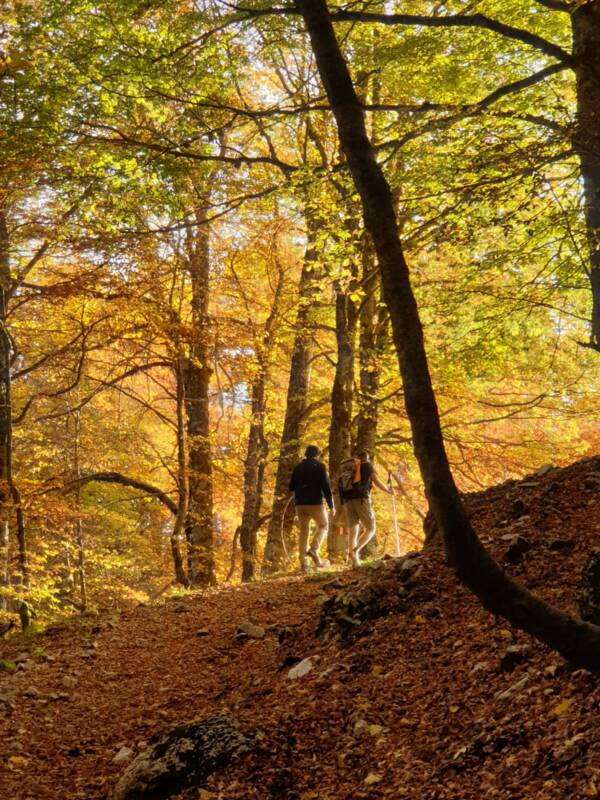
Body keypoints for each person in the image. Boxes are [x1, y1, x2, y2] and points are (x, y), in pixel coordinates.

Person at [338, 450, 393, 567]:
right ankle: (355, 550)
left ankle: (355, 562)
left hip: (347, 501)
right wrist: (389, 491)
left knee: (353, 530)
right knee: (371, 528)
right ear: (367, 457)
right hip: (361, 499)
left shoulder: (349, 469)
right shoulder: (367, 465)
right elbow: (376, 481)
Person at [289, 445, 335, 571]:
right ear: (317, 455)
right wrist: (331, 506)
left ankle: (304, 564)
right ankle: (314, 549)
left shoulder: (297, 467)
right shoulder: (320, 466)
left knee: (303, 532)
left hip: (300, 504)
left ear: (306, 454)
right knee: (323, 525)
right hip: (315, 503)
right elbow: (326, 487)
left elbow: (291, 487)